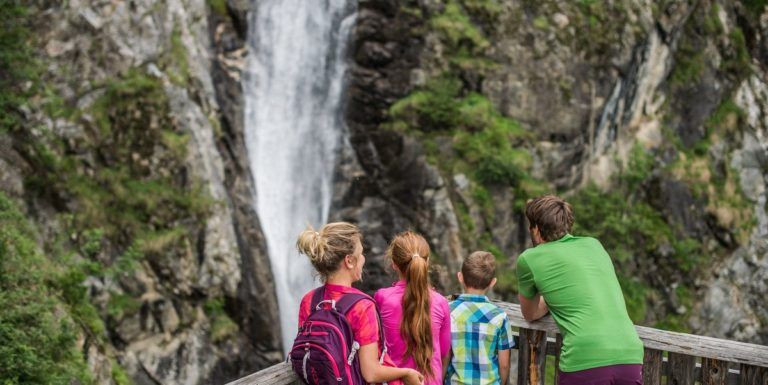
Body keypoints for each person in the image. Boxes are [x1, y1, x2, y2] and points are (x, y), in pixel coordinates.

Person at [516, 195, 644, 385]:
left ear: (536, 229)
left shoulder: (529, 259)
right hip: (630, 356)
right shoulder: (594, 245)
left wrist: (554, 297)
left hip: (585, 358)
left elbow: (530, 313)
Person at [296, 222, 423, 385]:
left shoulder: (309, 300)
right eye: (361, 253)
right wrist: (407, 372)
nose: (363, 259)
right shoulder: (362, 306)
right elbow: (371, 373)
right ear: (349, 261)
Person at [374, 231, 451, 385]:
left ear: (394, 264)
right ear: (426, 262)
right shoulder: (441, 302)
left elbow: (374, 345)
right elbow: (444, 352)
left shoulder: (382, 298)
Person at [445, 251, 514, 385]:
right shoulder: (499, 317)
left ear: (460, 277)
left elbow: (444, 356)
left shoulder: (448, 311)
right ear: (492, 282)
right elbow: (504, 365)